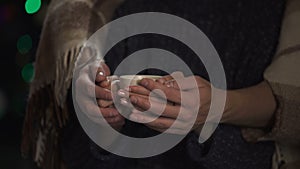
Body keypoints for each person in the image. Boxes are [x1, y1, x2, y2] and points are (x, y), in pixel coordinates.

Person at [21, 0, 300, 169]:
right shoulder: (122, 19)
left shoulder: (273, 24)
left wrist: (216, 113)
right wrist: (105, 125)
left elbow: (280, 150)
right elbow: (81, 158)